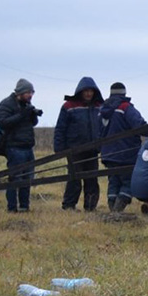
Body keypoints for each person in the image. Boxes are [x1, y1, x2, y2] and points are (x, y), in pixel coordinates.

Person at [54, 76, 104, 211]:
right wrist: (59, 148)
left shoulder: (99, 106)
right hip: (74, 150)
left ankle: (90, 207)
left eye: (91, 91)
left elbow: (104, 127)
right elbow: (60, 128)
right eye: (86, 91)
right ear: (80, 91)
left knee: (92, 180)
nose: (88, 93)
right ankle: (69, 206)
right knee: (74, 180)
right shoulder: (69, 106)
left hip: (93, 149)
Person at [99, 82, 147, 212]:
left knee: (113, 181)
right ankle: (118, 210)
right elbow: (140, 126)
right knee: (128, 182)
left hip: (108, 155)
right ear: (124, 93)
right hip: (126, 154)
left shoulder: (103, 110)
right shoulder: (126, 108)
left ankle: (112, 207)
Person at [0, 79, 42, 212]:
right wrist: (22, 115)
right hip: (14, 147)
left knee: (27, 179)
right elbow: (3, 123)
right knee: (15, 178)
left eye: (32, 92)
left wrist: (33, 115)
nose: (30, 95)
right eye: (28, 92)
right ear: (20, 92)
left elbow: (32, 124)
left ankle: (24, 207)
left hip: (28, 147)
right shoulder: (6, 104)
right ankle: (11, 208)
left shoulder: (27, 104)